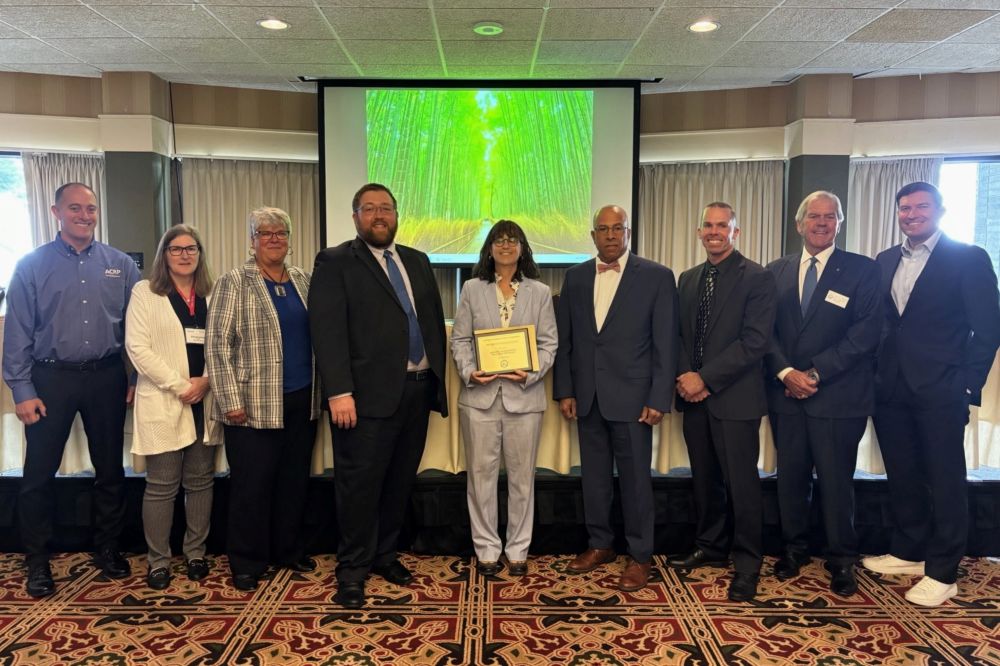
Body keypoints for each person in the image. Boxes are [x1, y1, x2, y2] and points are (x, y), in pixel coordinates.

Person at [309, 183, 448, 609]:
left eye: (385, 208)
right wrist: (339, 392)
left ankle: (385, 555)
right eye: (369, 209)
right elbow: (327, 331)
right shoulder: (334, 261)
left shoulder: (418, 261)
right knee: (359, 487)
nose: (378, 215)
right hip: (362, 400)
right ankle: (352, 569)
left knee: (398, 483)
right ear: (355, 217)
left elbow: (430, 321)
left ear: (396, 215)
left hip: (416, 391)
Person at [863, 181, 1000, 607]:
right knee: (902, 474)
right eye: (905, 208)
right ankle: (909, 550)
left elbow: (989, 328)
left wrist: (965, 383)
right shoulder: (885, 259)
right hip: (891, 388)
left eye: (921, 207)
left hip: (942, 388)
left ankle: (943, 570)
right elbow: (885, 324)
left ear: (939, 210)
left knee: (944, 480)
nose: (912, 214)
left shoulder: (968, 258)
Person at [2, 182, 140, 598]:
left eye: (91, 208)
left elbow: (137, 329)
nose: (84, 215)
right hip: (50, 380)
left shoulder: (121, 265)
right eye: (75, 208)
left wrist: (132, 378)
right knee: (38, 475)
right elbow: (17, 333)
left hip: (106, 377)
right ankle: (37, 561)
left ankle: (108, 547)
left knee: (110, 471)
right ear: (56, 212)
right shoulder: (31, 265)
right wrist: (21, 390)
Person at [553, 204, 678, 593]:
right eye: (602, 229)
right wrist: (565, 389)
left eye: (617, 228)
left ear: (627, 232)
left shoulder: (657, 277)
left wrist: (659, 397)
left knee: (636, 481)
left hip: (635, 398)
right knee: (594, 478)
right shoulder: (574, 278)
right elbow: (566, 340)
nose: (610, 235)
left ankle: (640, 556)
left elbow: (665, 342)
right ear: (592, 236)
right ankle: (599, 544)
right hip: (587, 396)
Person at [765, 191, 882, 596]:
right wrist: (785, 372)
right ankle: (794, 550)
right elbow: (765, 332)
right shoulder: (775, 271)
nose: (821, 223)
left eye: (829, 217)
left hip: (838, 396)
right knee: (791, 480)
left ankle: (841, 559)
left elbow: (866, 334)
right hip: (786, 395)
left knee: (835, 483)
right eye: (813, 216)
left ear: (839, 224)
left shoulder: (862, 271)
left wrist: (815, 373)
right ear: (799, 224)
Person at [205, 207, 321, 592]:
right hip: (251, 404)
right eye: (265, 233)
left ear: (290, 238)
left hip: (302, 400)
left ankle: (287, 550)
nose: (274, 239)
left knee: (293, 482)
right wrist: (228, 398)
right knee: (252, 487)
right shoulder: (233, 281)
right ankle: (247, 560)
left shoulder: (304, 280)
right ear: (251, 240)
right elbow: (218, 345)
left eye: (281, 232)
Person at [668, 202, 776, 602]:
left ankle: (747, 563)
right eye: (708, 226)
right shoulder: (689, 277)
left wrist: (705, 379)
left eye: (723, 226)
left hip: (735, 399)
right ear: (699, 233)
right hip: (693, 398)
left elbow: (755, 341)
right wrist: (685, 378)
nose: (715, 232)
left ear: (736, 232)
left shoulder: (758, 278)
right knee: (705, 480)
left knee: (742, 485)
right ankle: (710, 546)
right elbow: (678, 334)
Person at [451, 220, 558, 577]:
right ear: (489, 248)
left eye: (512, 240)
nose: (506, 245)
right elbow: (461, 340)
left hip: (524, 398)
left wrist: (530, 373)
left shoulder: (539, 292)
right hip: (480, 397)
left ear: (523, 247)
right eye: (499, 240)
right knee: (480, 476)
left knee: (521, 478)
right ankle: (485, 549)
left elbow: (548, 344)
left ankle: (517, 549)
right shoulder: (471, 288)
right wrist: (469, 371)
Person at [126, 225, 221, 590]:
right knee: (162, 485)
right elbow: (138, 349)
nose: (184, 255)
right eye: (176, 249)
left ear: (200, 254)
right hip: (166, 400)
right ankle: (159, 560)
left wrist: (207, 380)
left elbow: (225, 341)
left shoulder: (211, 293)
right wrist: (183, 386)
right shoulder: (146, 292)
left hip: (205, 400)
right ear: (164, 255)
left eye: (191, 248)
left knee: (200, 482)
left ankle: (195, 552)